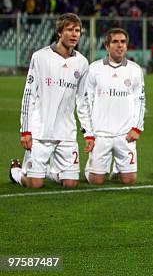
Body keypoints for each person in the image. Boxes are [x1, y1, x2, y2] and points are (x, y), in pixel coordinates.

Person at [9, 13, 91, 188]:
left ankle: (49, 170)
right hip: (41, 132)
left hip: (66, 132)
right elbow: (28, 96)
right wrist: (25, 131)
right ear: (59, 33)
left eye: (78, 30)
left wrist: (88, 132)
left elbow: (83, 101)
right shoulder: (40, 57)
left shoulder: (82, 63)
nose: (75, 34)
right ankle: (16, 172)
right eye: (70, 30)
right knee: (34, 184)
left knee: (70, 184)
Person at [83, 28, 145, 185]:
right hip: (101, 134)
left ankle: (118, 168)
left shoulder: (135, 70)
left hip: (125, 134)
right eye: (115, 42)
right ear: (106, 46)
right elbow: (86, 102)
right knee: (95, 181)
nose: (120, 45)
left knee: (129, 181)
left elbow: (140, 101)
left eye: (123, 42)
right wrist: (89, 133)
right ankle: (90, 168)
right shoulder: (94, 69)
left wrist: (136, 128)